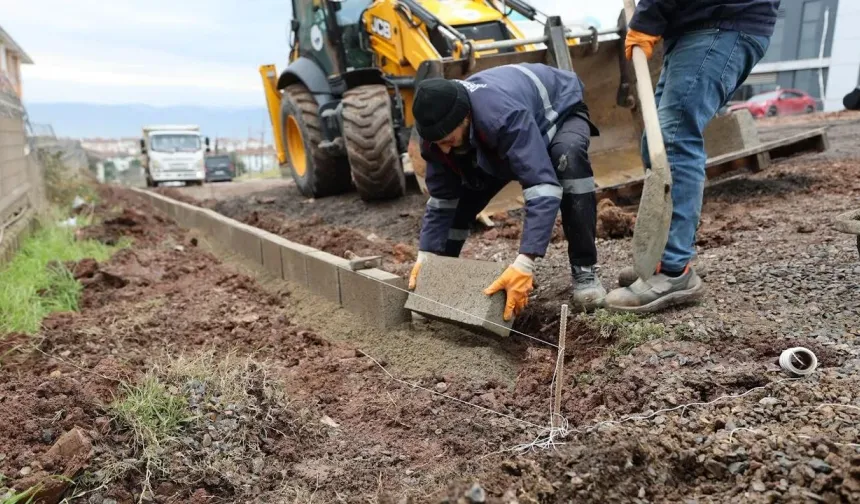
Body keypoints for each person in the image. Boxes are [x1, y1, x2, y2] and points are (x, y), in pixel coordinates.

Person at [605, 0, 779, 313]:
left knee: (674, 140)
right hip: (694, 28)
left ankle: (674, 270)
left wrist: (648, 18)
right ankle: (659, 259)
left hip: (722, 23)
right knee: (655, 143)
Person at [407, 63, 604, 320]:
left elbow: (541, 186)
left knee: (567, 158)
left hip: (557, 112)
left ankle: (585, 270)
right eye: (437, 143)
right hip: (494, 134)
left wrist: (524, 264)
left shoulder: (503, 116)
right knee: (460, 198)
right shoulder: (437, 133)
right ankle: (441, 282)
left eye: (447, 141)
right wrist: (427, 258)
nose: (443, 149)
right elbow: (443, 199)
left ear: (465, 117)